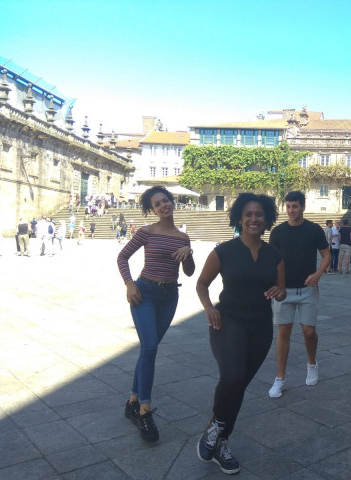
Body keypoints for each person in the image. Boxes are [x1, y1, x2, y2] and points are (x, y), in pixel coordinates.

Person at [196, 193, 285, 475]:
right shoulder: (223, 251)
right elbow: (201, 284)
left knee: (239, 386)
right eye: (248, 214)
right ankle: (218, 427)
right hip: (228, 321)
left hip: (260, 326)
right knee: (232, 377)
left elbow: (281, 291)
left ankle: (220, 440)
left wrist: (278, 292)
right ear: (239, 218)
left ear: (267, 218)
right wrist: (209, 308)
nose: (254, 219)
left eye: (259, 214)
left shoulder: (274, 255)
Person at [117, 186, 195, 442]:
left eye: (166, 201)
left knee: (147, 350)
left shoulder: (183, 238)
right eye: (157, 204)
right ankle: (145, 411)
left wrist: (189, 254)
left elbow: (190, 272)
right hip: (145, 294)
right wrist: (129, 283)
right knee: (150, 348)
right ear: (152, 210)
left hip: (169, 296)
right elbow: (122, 257)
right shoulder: (147, 232)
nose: (163, 206)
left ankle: (132, 401)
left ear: (172, 202)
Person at [268, 191, 330, 398]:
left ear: (303, 207)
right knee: (283, 332)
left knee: (308, 331)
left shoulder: (313, 230)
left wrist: (319, 273)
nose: (291, 210)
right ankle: (280, 378)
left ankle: (312, 363)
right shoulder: (278, 232)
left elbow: (326, 254)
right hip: (284, 290)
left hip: (307, 289)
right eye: (288, 206)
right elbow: (271, 260)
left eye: (295, 206)